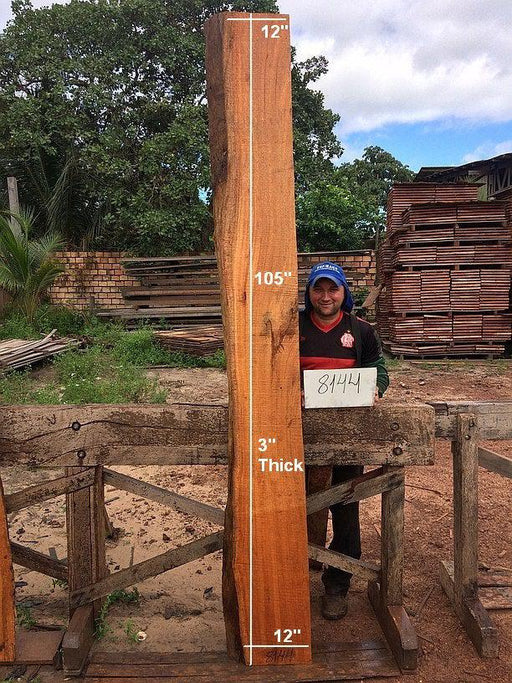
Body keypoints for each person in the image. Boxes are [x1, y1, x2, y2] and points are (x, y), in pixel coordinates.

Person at [299, 261, 389, 620]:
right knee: (291, 505)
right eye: (318, 289)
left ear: (343, 292)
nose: (325, 297)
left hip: (346, 436)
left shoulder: (361, 331)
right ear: (309, 293)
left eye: (332, 289)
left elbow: (379, 369)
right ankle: (287, 580)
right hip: (297, 435)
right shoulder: (294, 327)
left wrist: (376, 389)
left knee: (346, 510)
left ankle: (337, 586)